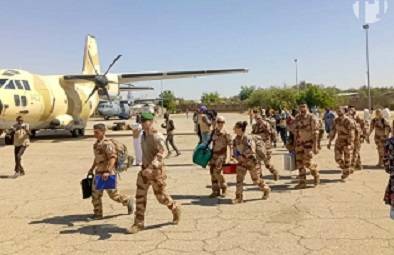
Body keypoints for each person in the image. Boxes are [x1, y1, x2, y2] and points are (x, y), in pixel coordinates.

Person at [126, 113, 180, 234]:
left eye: (144, 121)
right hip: (144, 171)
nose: (142, 123)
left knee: (161, 198)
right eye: (141, 121)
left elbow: (161, 152)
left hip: (155, 172)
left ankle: (175, 209)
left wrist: (152, 166)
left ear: (151, 122)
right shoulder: (142, 135)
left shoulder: (157, 136)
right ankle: (138, 223)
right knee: (140, 197)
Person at [87, 124, 133, 220]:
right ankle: (98, 214)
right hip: (99, 173)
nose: (94, 134)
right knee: (95, 195)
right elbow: (97, 159)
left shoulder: (107, 144)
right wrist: (91, 169)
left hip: (107, 173)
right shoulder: (96, 144)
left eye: (97, 132)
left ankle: (127, 200)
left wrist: (108, 171)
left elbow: (112, 158)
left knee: (113, 195)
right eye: (94, 132)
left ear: (103, 132)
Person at [232, 121, 271, 204]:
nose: (234, 129)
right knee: (239, 179)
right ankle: (238, 197)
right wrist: (235, 157)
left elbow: (250, 149)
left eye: (235, 127)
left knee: (256, 181)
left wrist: (242, 156)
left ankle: (266, 189)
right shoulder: (235, 139)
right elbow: (234, 149)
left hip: (251, 162)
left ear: (239, 128)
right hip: (241, 163)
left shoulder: (247, 138)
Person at [293, 102, 320, 189]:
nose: (302, 108)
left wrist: (315, 146)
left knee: (307, 162)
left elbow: (315, 133)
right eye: (301, 107)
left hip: (308, 143)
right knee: (299, 163)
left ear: (307, 107)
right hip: (299, 143)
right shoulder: (297, 117)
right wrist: (294, 143)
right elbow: (295, 131)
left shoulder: (312, 117)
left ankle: (315, 173)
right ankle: (302, 182)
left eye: (304, 107)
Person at [328, 107, 356, 181]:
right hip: (339, 141)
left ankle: (345, 174)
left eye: (340, 110)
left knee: (347, 159)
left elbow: (352, 133)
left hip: (347, 141)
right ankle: (347, 169)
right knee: (337, 158)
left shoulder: (349, 121)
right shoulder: (335, 121)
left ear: (343, 111)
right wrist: (330, 142)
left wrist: (350, 143)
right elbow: (333, 131)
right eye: (337, 111)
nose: (339, 112)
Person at [207, 116, 232, 198]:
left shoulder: (226, 133)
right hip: (213, 155)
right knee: (212, 173)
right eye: (219, 122)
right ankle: (215, 190)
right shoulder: (213, 132)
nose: (220, 124)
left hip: (221, 155)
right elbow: (209, 142)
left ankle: (224, 188)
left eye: (222, 122)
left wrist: (231, 157)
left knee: (217, 172)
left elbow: (230, 145)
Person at [252, 114, 280, 181]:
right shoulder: (254, 126)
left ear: (261, 118)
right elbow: (253, 135)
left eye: (259, 118)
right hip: (258, 146)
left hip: (267, 146)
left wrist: (274, 142)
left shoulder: (266, 124)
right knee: (257, 163)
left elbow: (273, 134)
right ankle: (259, 178)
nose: (258, 120)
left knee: (267, 164)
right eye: (256, 118)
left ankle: (274, 172)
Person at [348, 106, 365, 171]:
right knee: (356, 152)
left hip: (358, 137)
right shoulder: (348, 119)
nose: (351, 111)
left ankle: (352, 166)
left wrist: (362, 135)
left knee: (355, 151)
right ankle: (359, 165)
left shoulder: (358, 118)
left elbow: (364, 126)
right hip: (352, 137)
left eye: (352, 110)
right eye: (350, 110)